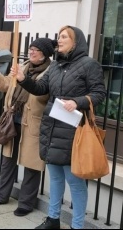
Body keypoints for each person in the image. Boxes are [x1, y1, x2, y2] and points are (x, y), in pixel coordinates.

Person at [11, 26, 106, 229]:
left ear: (76, 41)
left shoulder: (90, 65)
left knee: (75, 182)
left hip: (74, 131)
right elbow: (41, 89)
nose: (59, 40)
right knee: (54, 177)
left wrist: (78, 101)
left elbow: (99, 93)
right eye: (59, 36)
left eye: (64, 37)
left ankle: (77, 225)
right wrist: (23, 80)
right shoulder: (55, 65)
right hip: (52, 127)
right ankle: (53, 219)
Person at [0, 38, 56, 216]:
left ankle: (26, 203)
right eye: (30, 48)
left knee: (32, 165)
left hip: (33, 123)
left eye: (36, 50)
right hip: (12, 119)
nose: (31, 52)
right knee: (8, 160)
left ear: (45, 54)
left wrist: (24, 80)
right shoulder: (23, 65)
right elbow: (5, 85)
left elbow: (43, 94)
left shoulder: (51, 71)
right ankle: (2, 195)